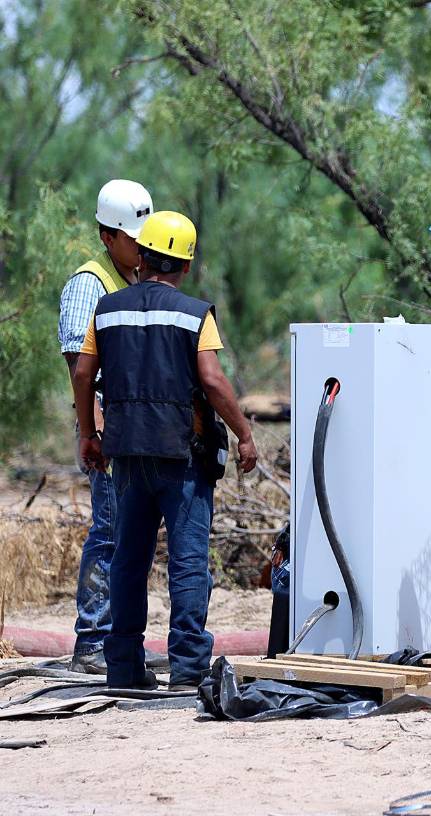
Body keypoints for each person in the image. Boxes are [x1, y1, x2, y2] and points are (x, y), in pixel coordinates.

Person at [71, 210, 257, 690]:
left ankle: (124, 668)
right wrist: (244, 434)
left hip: (127, 455)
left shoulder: (107, 309)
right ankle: (189, 668)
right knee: (189, 561)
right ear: (186, 266)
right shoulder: (195, 314)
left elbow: (82, 373)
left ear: (142, 257)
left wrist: (88, 434)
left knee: (128, 560)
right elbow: (213, 380)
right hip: (183, 457)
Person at [57, 179, 172, 675]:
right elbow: (78, 366)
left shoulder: (128, 281)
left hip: (132, 428)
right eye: (134, 237)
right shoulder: (91, 283)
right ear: (109, 236)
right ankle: (93, 639)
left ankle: (115, 642)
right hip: (109, 430)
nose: (143, 246)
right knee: (108, 533)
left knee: (126, 534)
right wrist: (93, 431)